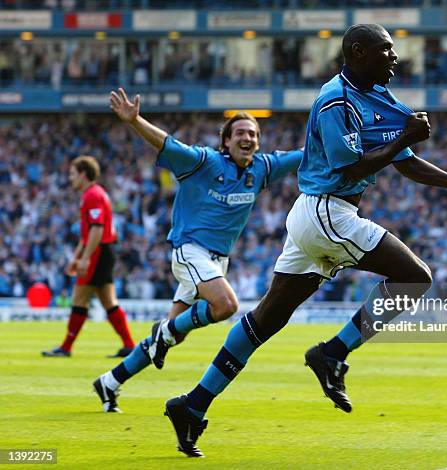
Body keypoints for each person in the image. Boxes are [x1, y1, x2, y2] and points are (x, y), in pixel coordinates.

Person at [156, 24, 447, 457]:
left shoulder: (382, 99)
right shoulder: (335, 100)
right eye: (385, 50)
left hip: (317, 214)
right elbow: (349, 167)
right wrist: (406, 136)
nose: (394, 58)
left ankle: (192, 405)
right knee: (414, 277)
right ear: (357, 51)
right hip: (327, 210)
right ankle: (332, 352)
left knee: (265, 321)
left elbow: (406, 164)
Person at [92, 88, 302, 412]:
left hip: (218, 262)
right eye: (241, 133)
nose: (248, 138)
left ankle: (110, 381)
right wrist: (135, 121)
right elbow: (166, 143)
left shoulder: (262, 169)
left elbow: (305, 154)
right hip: (190, 252)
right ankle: (166, 330)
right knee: (226, 305)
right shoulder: (203, 161)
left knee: (170, 337)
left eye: (253, 134)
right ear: (226, 141)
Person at [42, 156, 135, 358]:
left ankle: (66, 347)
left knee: (79, 298)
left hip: (98, 251)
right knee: (108, 301)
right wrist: (76, 257)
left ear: (83, 174)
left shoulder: (92, 195)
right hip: (102, 250)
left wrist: (84, 259)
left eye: (73, 174)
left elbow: (96, 230)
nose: (70, 178)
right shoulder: (93, 194)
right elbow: (87, 234)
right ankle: (129, 345)